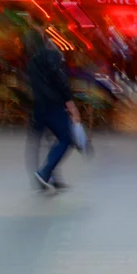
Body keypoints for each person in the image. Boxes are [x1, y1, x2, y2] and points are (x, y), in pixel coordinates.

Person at [24, 29, 81, 191]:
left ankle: (51, 177)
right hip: (54, 105)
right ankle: (45, 173)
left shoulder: (31, 62)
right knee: (66, 138)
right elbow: (60, 81)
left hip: (39, 106)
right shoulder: (53, 57)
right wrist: (70, 104)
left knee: (44, 142)